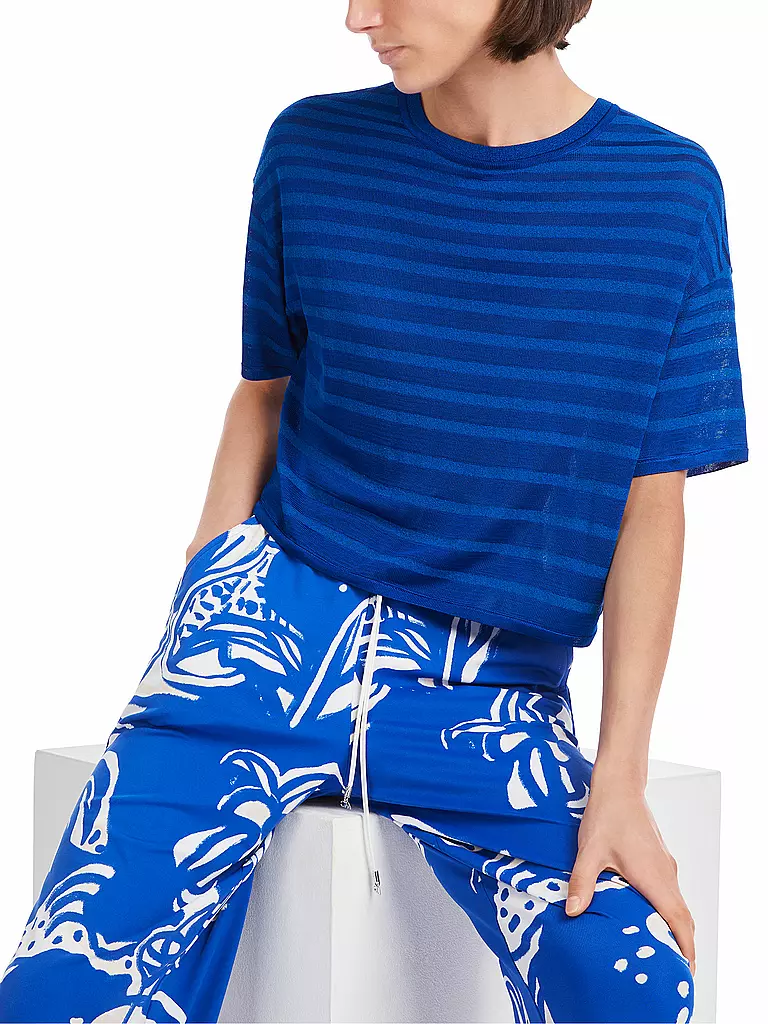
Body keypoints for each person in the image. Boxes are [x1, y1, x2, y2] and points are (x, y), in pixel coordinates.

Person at [0, 1, 749, 1021]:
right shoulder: (310, 148)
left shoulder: (668, 192)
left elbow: (651, 502)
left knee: (634, 984)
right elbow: (266, 391)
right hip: (261, 635)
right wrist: (206, 578)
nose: (357, 16)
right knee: (59, 992)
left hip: (487, 691)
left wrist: (619, 774)